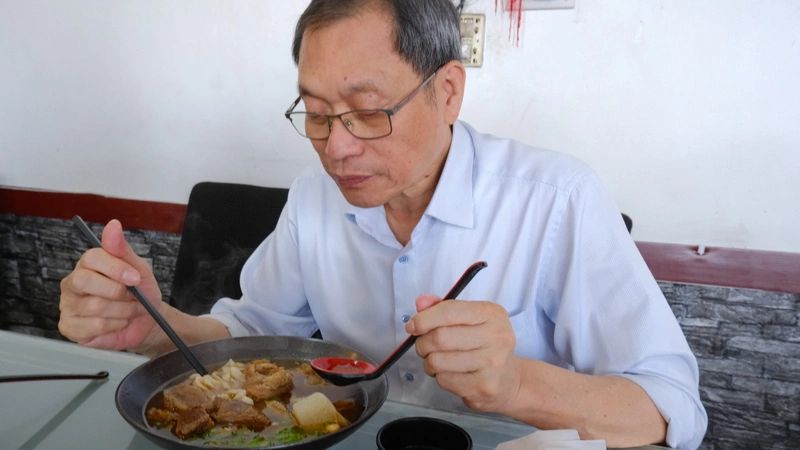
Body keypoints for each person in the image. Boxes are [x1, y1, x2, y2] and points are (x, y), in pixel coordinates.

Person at [58, 0, 707, 448]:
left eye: (368, 112)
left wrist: (515, 383)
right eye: (314, 112)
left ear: (448, 90)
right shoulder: (315, 198)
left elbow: (670, 407)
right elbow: (250, 334)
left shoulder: (557, 200)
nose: (336, 148)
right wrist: (152, 330)